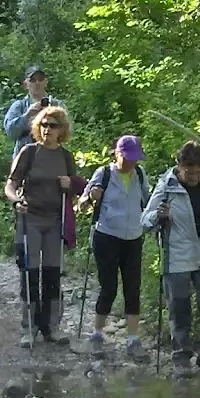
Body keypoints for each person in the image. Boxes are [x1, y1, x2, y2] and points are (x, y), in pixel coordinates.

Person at [142, 142, 200, 375]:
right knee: (180, 308)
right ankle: (181, 357)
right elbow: (145, 220)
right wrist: (159, 215)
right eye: (190, 172)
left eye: (198, 172)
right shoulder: (166, 187)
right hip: (176, 257)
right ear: (179, 167)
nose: (195, 177)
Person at [5, 104, 83, 346]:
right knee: (29, 273)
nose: (48, 129)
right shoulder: (29, 152)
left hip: (55, 220)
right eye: (44, 125)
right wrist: (17, 200)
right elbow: (10, 184)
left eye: (53, 125)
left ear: (62, 129)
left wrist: (70, 183)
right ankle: (28, 329)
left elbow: (79, 186)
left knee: (52, 274)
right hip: (30, 219)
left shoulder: (65, 156)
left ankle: (52, 327)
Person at [78, 135, 151, 361]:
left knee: (133, 287)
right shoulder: (104, 174)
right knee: (108, 286)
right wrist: (90, 197)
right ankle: (97, 335)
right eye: (128, 158)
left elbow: (148, 202)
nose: (132, 163)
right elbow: (81, 206)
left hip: (133, 237)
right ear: (117, 154)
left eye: (135, 158)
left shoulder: (140, 174)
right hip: (106, 236)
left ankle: (133, 340)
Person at [3, 63, 64, 159]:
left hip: (52, 157)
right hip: (25, 160)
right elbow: (11, 132)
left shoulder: (57, 105)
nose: (37, 83)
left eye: (40, 79)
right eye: (32, 80)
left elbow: (67, 131)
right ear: (26, 84)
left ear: (46, 81)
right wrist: (27, 115)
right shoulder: (19, 106)